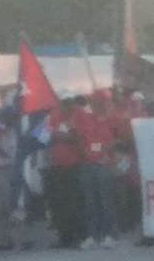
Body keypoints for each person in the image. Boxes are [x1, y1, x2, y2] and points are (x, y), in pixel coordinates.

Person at [77, 92, 119, 250]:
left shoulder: (111, 119)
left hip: (104, 165)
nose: (95, 103)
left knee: (106, 201)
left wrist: (102, 149)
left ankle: (110, 234)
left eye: (98, 101)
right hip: (88, 164)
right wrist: (88, 151)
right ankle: (94, 235)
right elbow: (82, 139)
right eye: (93, 101)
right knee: (90, 202)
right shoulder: (86, 119)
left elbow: (114, 141)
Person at [0, 106, 27, 252]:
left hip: (9, 170)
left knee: (11, 207)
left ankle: (20, 239)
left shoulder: (14, 133)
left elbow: (10, 154)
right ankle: (3, 240)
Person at [46, 98, 87, 248]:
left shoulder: (81, 114)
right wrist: (68, 136)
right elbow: (51, 135)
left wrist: (68, 136)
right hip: (58, 167)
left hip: (76, 166)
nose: (67, 104)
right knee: (61, 204)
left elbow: (82, 137)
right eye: (64, 102)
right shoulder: (54, 116)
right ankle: (65, 237)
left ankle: (80, 236)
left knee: (77, 203)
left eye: (69, 101)